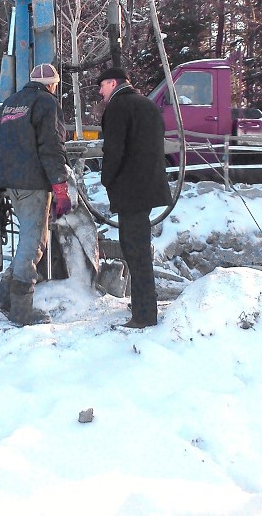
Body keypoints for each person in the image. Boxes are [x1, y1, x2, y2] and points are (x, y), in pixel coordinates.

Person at [0, 63, 73, 326]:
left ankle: (3, 297)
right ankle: (22, 311)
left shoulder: (12, 102)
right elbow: (52, 147)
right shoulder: (46, 103)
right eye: (55, 85)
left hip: (11, 182)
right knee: (34, 244)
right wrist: (60, 187)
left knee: (27, 240)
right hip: (33, 183)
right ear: (51, 84)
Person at [97, 66, 173, 328]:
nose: (100, 91)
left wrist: (106, 179)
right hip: (149, 187)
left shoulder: (118, 108)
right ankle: (143, 307)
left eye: (103, 85)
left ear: (114, 83)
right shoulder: (148, 105)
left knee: (134, 251)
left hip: (130, 189)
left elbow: (113, 150)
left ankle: (144, 315)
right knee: (140, 250)